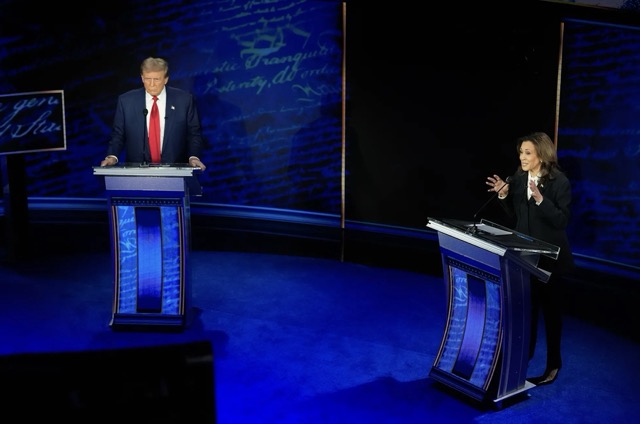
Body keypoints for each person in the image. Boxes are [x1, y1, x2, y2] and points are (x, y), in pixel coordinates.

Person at [486, 131, 574, 386]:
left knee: (551, 314)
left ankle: (553, 365)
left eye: (527, 153)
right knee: (527, 311)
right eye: (521, 153)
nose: (522, 157)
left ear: (541, 155)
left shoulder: (559, 182)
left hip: (551, 261)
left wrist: (540, 199)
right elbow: (515, 217)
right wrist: (503, 193)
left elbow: (561, 221)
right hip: (525, 258)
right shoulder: (518, 178)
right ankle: (523, 357)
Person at [100, 57, 206, 170]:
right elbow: (118, 134)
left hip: (175, 170)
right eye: (147, 79)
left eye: (156, 79)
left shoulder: (184, 100)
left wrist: (193, 157)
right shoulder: (126, 101)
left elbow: (194, 133)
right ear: (142, 78)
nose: (152, 84)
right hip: (137, 172)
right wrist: (112, 156)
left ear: (166, 79)